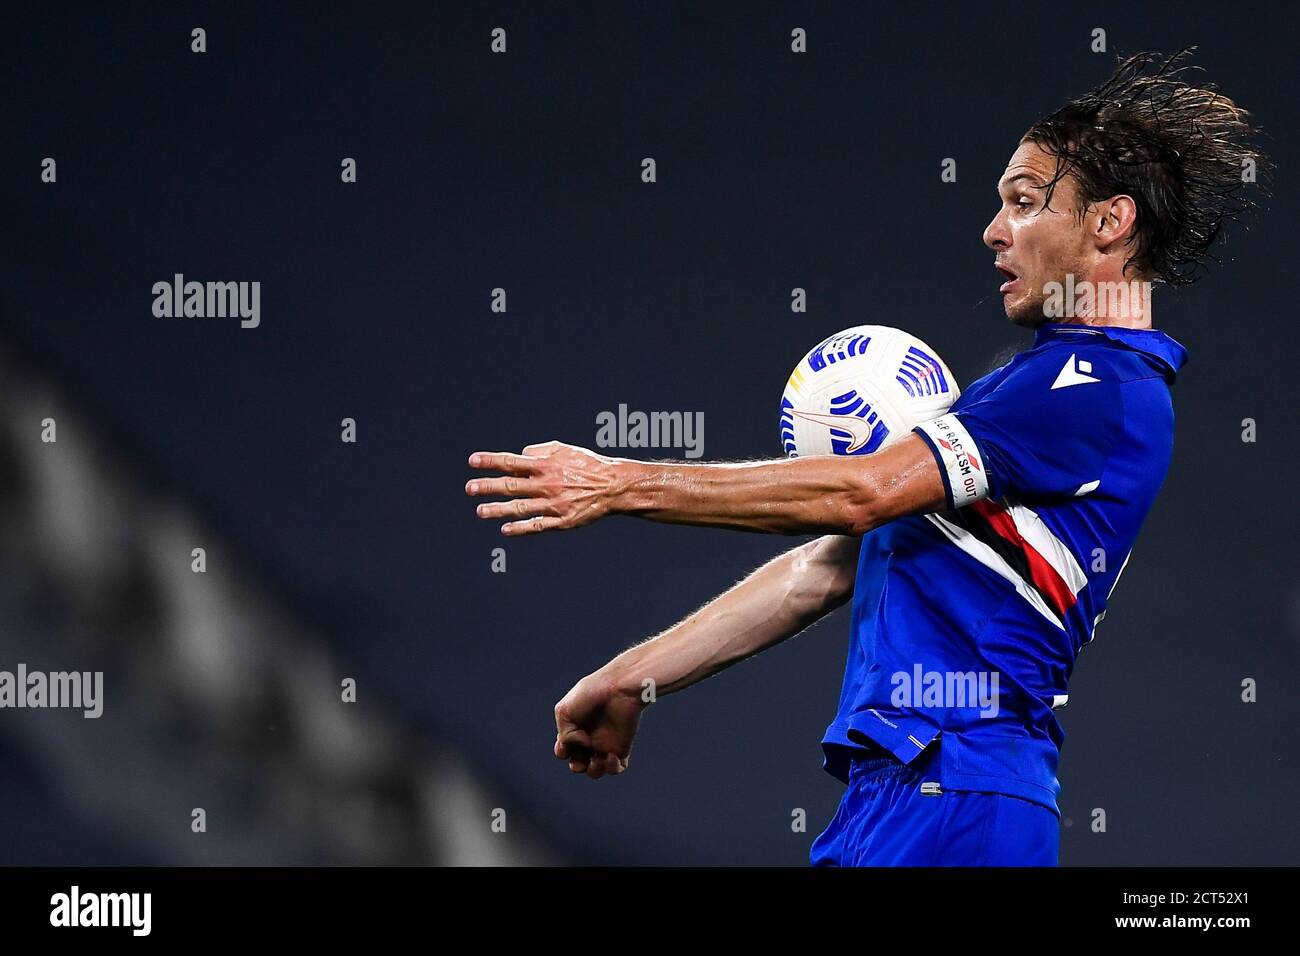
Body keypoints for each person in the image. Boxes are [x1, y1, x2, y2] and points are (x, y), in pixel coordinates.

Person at [465, 49, 1268, 865]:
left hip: (959, 793)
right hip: (906, 795)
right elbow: (829, 567)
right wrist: (631, 677)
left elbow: (861, 494)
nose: (994, 230)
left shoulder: (1094, 385)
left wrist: (621, 480)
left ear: (1109, 222)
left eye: (1025, 203)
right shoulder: (1029, 384)